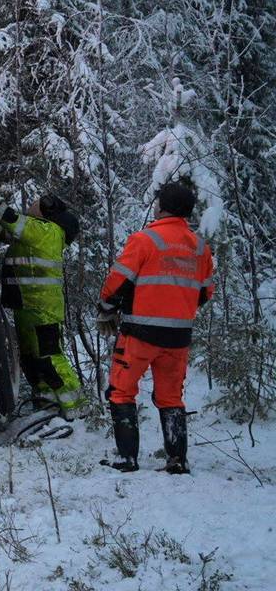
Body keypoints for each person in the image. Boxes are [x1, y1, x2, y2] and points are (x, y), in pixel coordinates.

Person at [98, 181, 213, 474]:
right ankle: (177, 460)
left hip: (140, 333)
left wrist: (106, 310)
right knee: (171, 397)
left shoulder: (145, 240)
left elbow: (117, 281)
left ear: (162, 206)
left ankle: (127, 459)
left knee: (121, 391)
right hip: (178, 337)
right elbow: (205, 293)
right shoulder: (201, 248)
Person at [0, 181, 84, 419]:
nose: (32, 205)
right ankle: (48, 404)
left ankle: (77, 409)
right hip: (27, 307)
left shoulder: (46, 231)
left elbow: (9, 218)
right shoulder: (34, 234)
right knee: (32, 360)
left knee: (49, 357)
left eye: (38, 204)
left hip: (40, 309)